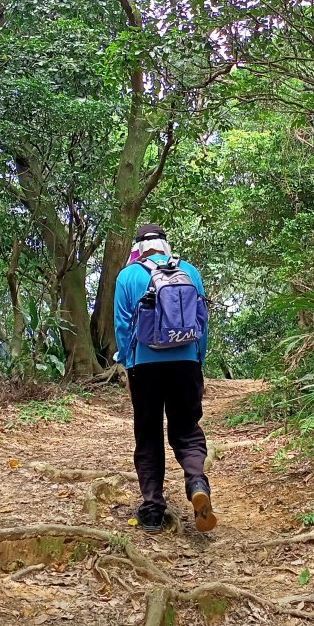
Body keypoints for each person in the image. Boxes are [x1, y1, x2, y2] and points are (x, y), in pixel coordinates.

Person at [114, 223, 216, 534]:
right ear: (165, 245)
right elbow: (202, 321)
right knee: (186, 429)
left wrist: (128, 365)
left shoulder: (127, 276)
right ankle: (197, 481)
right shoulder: (189, 271)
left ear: (139, 248)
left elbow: (122, 325)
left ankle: (152, 509)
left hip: (145, 365)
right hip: (185, 361)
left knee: (148, 433)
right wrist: (198, 358)